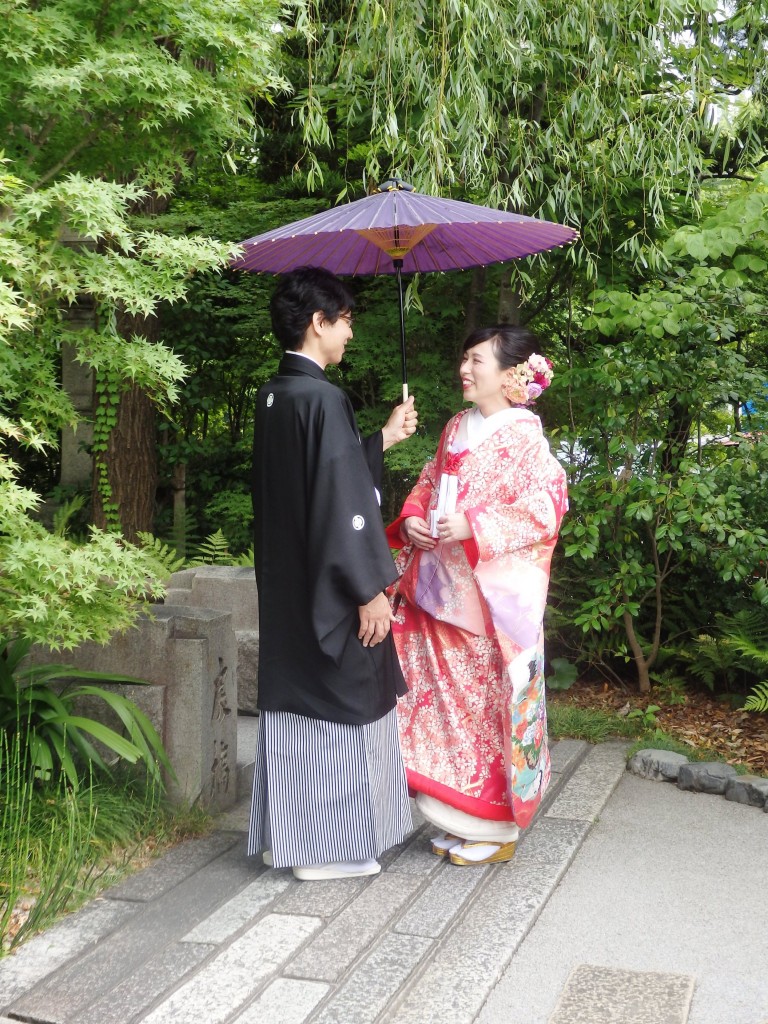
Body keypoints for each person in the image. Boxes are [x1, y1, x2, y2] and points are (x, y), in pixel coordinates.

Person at [248, 266, 418, 881]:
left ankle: (287, 837)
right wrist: (370, 589)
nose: (350, 332)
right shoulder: (321, 398)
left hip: (292, 586)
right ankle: (329, 846)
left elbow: (325, 478)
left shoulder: (277, 393)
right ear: (318, 323)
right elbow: (343, 506)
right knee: (342, 698)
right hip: (330, 589)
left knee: (296, 703)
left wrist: (381, 439)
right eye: (344, 320)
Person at [386, 325, 568, 866]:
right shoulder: (455, 426)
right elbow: (428, 478)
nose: (465, 369)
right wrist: (415, 517)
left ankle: (495, 823)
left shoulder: (525, 438)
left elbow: (547, 506)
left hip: (488, 601)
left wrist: (474, 525)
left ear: (511, 374)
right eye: (464, 359)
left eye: (476, 361)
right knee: (439, 704)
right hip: (438, 589)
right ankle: (459, 814)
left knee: (486, 709)